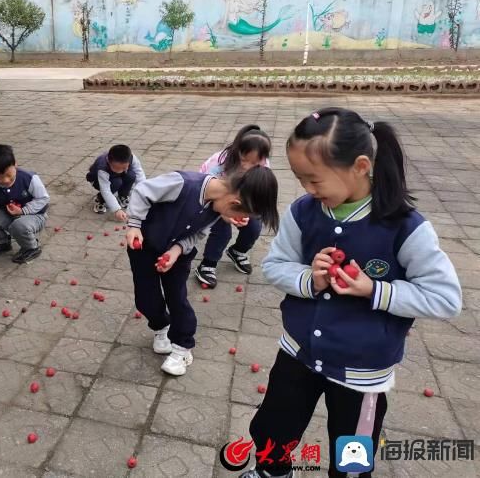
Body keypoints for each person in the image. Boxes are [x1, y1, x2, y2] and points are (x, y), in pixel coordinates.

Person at [244, 108, 462, 478]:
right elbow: (274, 265)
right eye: (301, 180)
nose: (307, 190)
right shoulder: (304, 212)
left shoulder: (404, 226)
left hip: (362, 372)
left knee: (352, 456)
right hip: (299, 352)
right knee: (272, 431)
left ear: (361, 166)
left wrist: (374, 290)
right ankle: (272, 472)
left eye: (314, 180)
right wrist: (310, 280)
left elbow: (445, 298)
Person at [126, 166, 279, 376]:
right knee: (145, 299)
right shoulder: (183, 184)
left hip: (177, 256)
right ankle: (161, 327)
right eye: (235, 215)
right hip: (142, 247)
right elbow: (142, 190)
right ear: (233, 202)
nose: (232, 221)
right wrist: (134, 224)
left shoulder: (217, 208)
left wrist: (176, 250)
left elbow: (197, 234)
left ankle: (182, 347)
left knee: (177, 298)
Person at [194, 125, 272, 288]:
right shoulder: (219, 162)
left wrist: (246, 212)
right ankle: (208, 264)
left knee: (253, 227)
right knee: (222, 230)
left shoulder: (264, 165)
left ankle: (238, 251)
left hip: (241, 198)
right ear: (237, 151)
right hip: (215, 196)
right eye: (244, 160)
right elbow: (206, 188)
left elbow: (259, 189)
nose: (247, 166)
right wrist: (224, 214)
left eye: (255, 163)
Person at [86, 144, 146, 220]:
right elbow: (105, 190)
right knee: (116, 182)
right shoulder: (102, 168)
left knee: (131, 175)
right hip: (97, 180)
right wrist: (116, 209)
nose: (122, 170)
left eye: (124, 167)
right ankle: (101, 199)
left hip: (115, 177)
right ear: (109, 161)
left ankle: (123, 196)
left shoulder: (131, 157)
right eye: (117, 168)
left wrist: (145, 191)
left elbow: (139, 173)